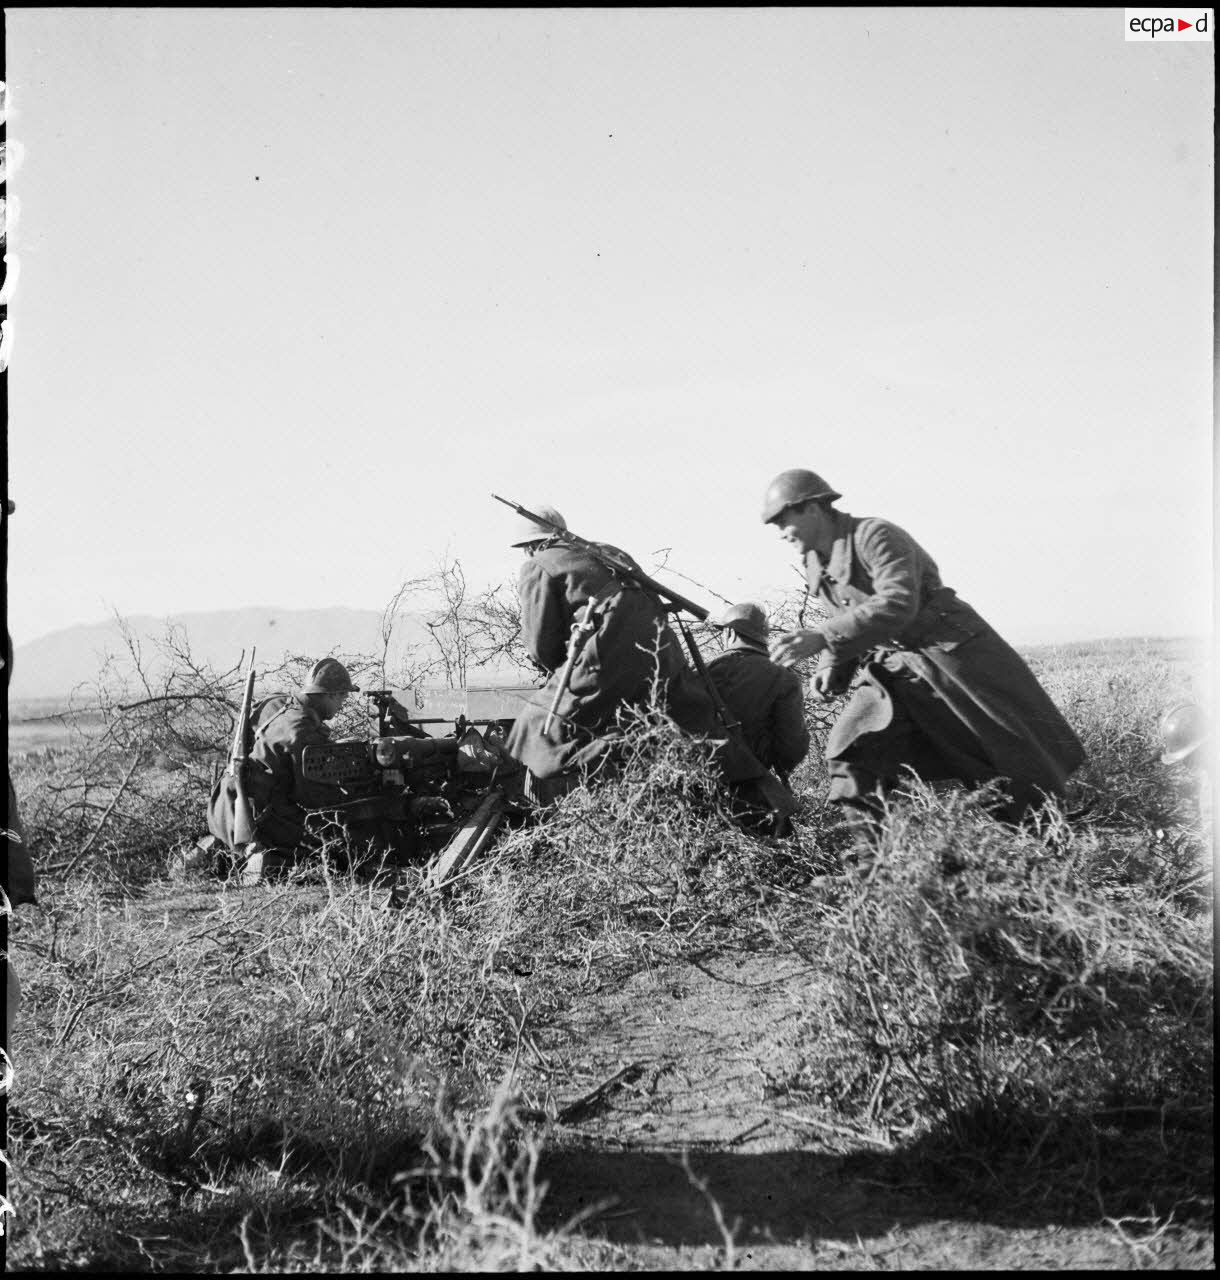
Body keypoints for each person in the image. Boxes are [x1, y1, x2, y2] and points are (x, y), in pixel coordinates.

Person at [762, 469, 1085, 825]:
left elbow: (898, 602)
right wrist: (831, 666)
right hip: (891, 669)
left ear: (812, 509)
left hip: (949, 657)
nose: (780, 533)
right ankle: (876, 868)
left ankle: (1047, 844)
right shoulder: (815, 561)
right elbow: (847, 618)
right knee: (850, 752)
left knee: (1001, 759)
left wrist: (823, 636)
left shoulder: (875, 535)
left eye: (783, 521)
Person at [503, 505, 782, 811]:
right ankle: (762, 803)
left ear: (529, 546)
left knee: (535, 727)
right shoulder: (610, 553)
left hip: (605, 659)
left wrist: (561, 672)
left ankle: (574, 808)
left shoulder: (538, 566)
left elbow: (541, 647)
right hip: (664, 656)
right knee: (695, 726)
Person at [235, 657, 361, 885]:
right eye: (343, 696)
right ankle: (268, 860)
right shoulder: (303, 731)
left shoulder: (276, 703)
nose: (342, 704)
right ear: (329, 694)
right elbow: (312, 797)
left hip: (229, 805)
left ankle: (227, 848)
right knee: (337, 841)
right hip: (263, 817)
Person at [707, 602, 810, 783]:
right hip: (750, 786)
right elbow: (793, 746)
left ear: (729, 633)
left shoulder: (704, 671)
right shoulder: (784, 677)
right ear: (763, 637)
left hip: (696, 780)